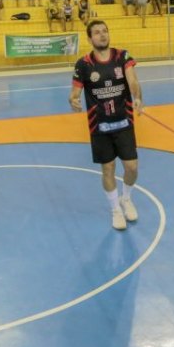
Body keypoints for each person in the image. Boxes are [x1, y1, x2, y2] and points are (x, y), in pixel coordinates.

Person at [69, 20, 144, 231]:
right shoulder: (83, 64)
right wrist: (73, 99)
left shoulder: (123, 56)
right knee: (108, 168)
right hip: (100, 125)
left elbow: (133, 82)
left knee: (132, 167)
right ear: (90, 38)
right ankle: (115, 211)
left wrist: (137, 98)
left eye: (105, 31)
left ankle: (126, 198)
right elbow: (74, 92)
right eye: (97, 32)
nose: (102, 35)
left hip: (124, 121)